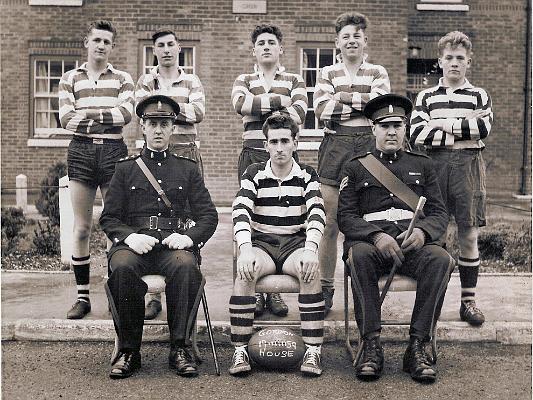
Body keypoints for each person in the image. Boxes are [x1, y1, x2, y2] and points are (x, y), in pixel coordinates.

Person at [100, 95, 218, 379]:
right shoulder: (125, 169)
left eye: (164, 124)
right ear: (142, 126)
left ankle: (180, 347)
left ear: (172, 128)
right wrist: (129, 238)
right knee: (124, 267)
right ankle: (129, 351)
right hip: (135, 245)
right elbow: (108, 218)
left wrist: (189, 238)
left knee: (185, 266)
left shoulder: (186, 169)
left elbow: (208, 216)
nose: (158, 130)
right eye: (152, 123)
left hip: (172, 244)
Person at [338, 94, 453, 383]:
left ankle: (417, 346)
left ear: (406, 127)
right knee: (358, 255)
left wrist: (422, 232)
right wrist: (375, 236)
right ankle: (371, 345)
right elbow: (346, 217)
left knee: (441, 259)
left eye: (398, 125)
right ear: (373, 129)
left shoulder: (423, 165)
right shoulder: (355, 167)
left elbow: (439, 212)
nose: (392, 131)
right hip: (372, 246)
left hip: (410, 244)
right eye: (384, 125)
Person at [228, 114, 325, 377]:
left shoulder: (307, 174)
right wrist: (245, 248)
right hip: (263, 244)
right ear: (266, 144)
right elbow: (240, 211)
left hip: (294, 243)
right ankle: (240, 349)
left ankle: (313, 349)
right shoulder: (254, 173)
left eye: (285, 141)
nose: (280, 147)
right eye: (274, 142)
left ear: (296, 142)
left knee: (309, 270)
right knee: (245, 270)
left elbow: (317, 211)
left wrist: (311, 248)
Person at [409, 31, 493, 326]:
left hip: (469, 167)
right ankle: (434, 301)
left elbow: (482, 131)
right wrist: (462, 126)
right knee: (437, 235)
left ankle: (468, 302)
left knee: (468, 234)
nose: (454, 63)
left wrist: (441, 123)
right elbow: (417, 134)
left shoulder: (479, 95)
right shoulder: (426, 96)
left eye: (460, 58)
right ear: (440, 61)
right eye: (449, 58)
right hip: (435, 168)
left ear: (468, 62)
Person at [313, 12, 390, 315]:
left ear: (364, 40)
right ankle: (325, 288)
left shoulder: (377, 71)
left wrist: (342, 100)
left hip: (369, 147)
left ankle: (364, 286)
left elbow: (380, 107)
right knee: (330, 223)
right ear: (337, 42)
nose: (351, 41)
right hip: (336, 147)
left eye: (356, 36)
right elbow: (321, 108)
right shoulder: (327, 72)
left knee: (367, 220)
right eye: (346, 36)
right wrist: (362, 104)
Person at [58, 20, 134, 319]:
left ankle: (118, 291)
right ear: (86, 43)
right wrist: (105, 118)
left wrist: (86, 116)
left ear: (111, 46)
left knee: (115, 225)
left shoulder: (123, 78)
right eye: (97, 40)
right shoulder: (69, 78)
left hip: (114, 152)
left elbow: (125, 115)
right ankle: (82, 297)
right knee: (82, 227)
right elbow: (65, 118)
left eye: (107, 41)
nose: (102, 45)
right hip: (81, 152)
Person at [232, 24, 308, 318]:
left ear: (280, 49)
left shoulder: (294, 78)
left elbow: (299, 113)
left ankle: (273, 293)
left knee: (282, 215)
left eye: (271, 42)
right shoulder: (244, 78)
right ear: (254, 50)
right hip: (252, 151)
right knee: (252, 219)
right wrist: (280, 103)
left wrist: (258, 106)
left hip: (283, 152)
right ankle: (253, 289)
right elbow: (239, 104)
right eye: (261, 43)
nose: (266, 47)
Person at [135, 29, 206, 320]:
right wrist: (175, 110)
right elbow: (142, 114)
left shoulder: (191, 79)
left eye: (171, 45)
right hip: (152, 154)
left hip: (186, 152)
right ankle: (153, 296)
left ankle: (185, 277)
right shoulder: (144, 81)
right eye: (161, 46)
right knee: (154, 213)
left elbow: (199, 111)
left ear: (179, 49)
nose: (166, 50)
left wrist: (162, 111)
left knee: (186, 215)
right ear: (154, 51)